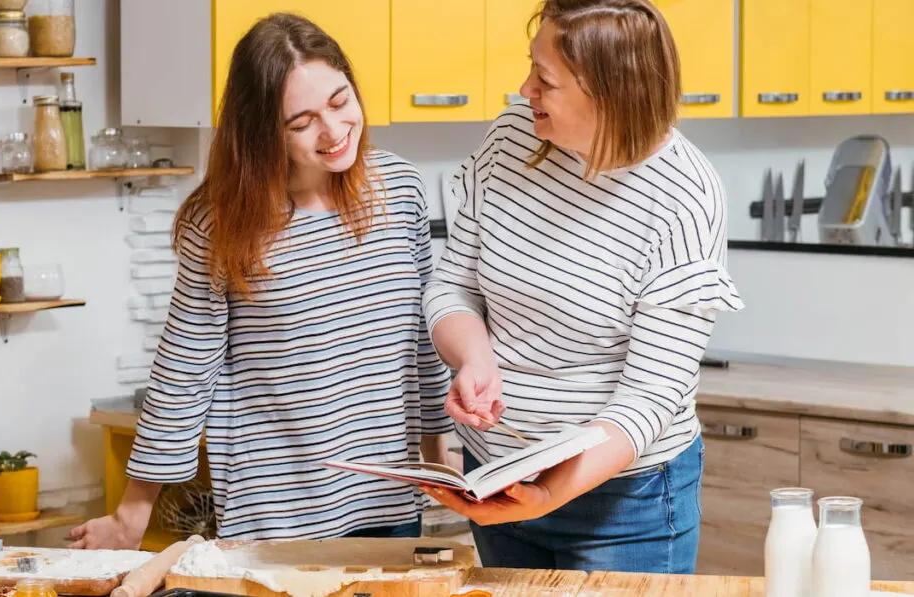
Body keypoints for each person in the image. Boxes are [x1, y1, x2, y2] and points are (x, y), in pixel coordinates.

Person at [68, 12, 453, 547]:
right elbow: (184, 365)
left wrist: (439, 459)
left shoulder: (400, 190)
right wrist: (132, 514)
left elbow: (422, 339)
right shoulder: (223, 222)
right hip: (276, 516)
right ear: (261, 130)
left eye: (341, 102)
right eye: (302, 123)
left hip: (389, 498)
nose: (334, 131)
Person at [420, 0, 743, 574]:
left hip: (625, 504)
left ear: (609, 93)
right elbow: (452, 286)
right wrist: (475, 357)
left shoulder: (684, 198)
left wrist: (547, 495)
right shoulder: (512, 138)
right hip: (497, 474)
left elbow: (650, 398)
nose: (524, 91)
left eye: (544, 80)